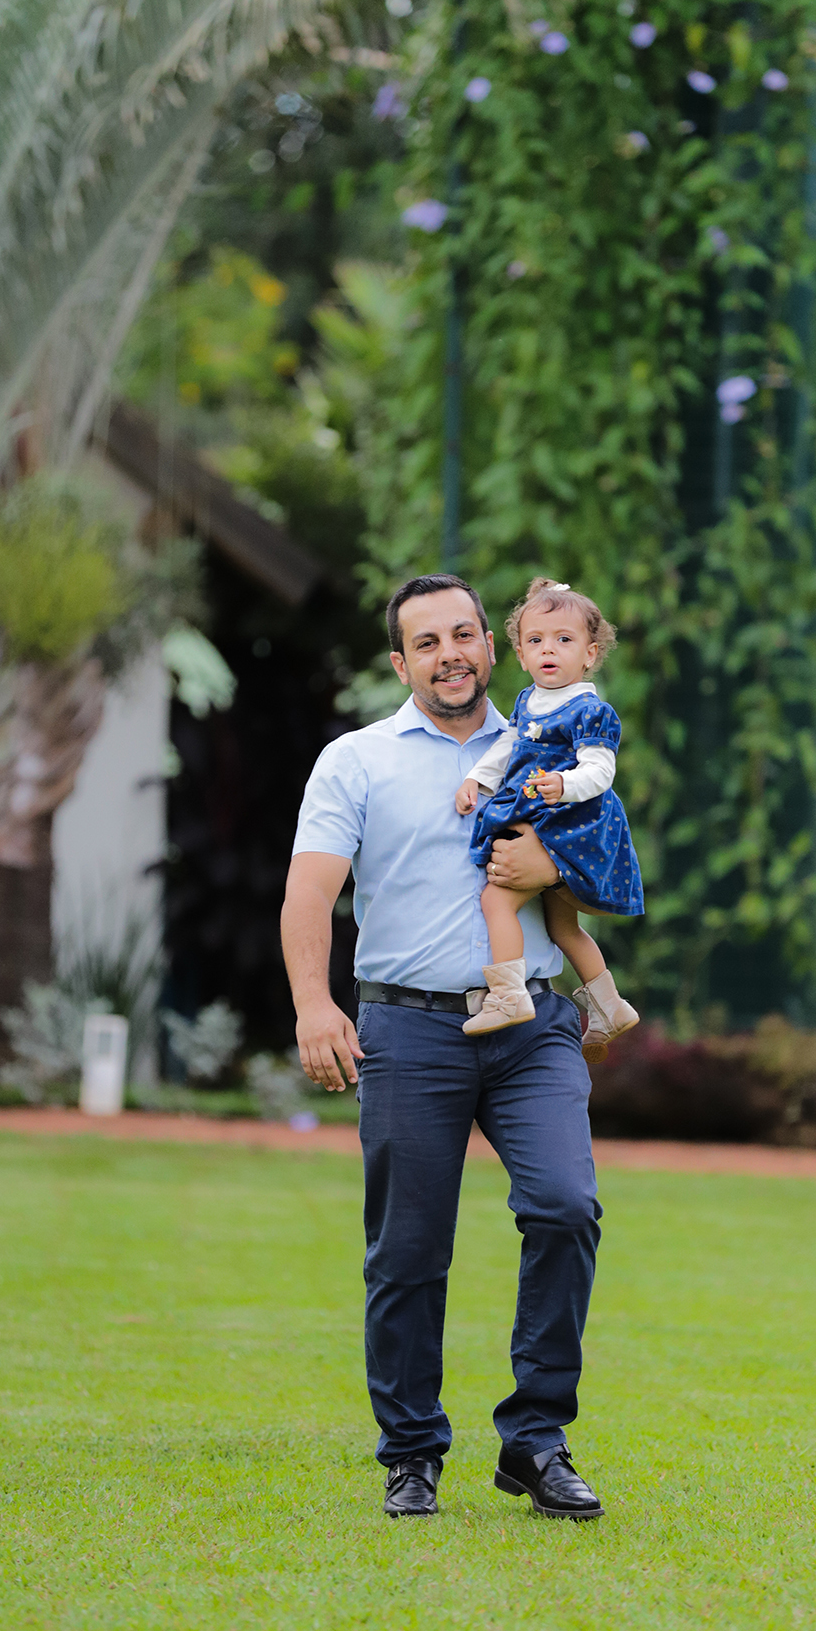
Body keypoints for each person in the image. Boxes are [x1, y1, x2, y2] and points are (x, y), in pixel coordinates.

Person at [281, 573, 606, 1522]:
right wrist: (314, 1005)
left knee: (565, 1207)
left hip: (531, 1023)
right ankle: (412, 1452)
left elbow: (609, 873)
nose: (450, 655)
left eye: (464, 635)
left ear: (492, 647)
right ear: (401, 663)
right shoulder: (356, 761)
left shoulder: (554, 743)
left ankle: (536, 1441)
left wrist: (554, 865)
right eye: (427, 643)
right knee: (409, 1251)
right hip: (409, 1028)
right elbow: (310, 893)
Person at [455, 576, 643, 1047]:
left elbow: (600, 771)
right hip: (545, 815)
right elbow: (508, 748)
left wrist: (565, 785)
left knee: (496, 901)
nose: (549, 650)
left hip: (570, 821)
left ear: (590, 653)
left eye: (563, 640)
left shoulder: (590, 710)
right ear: (520, 654)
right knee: (561, 925)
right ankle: (610, 1006)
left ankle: (508, 995)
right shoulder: (528, 702)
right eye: (536, 641)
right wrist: (477, 779)